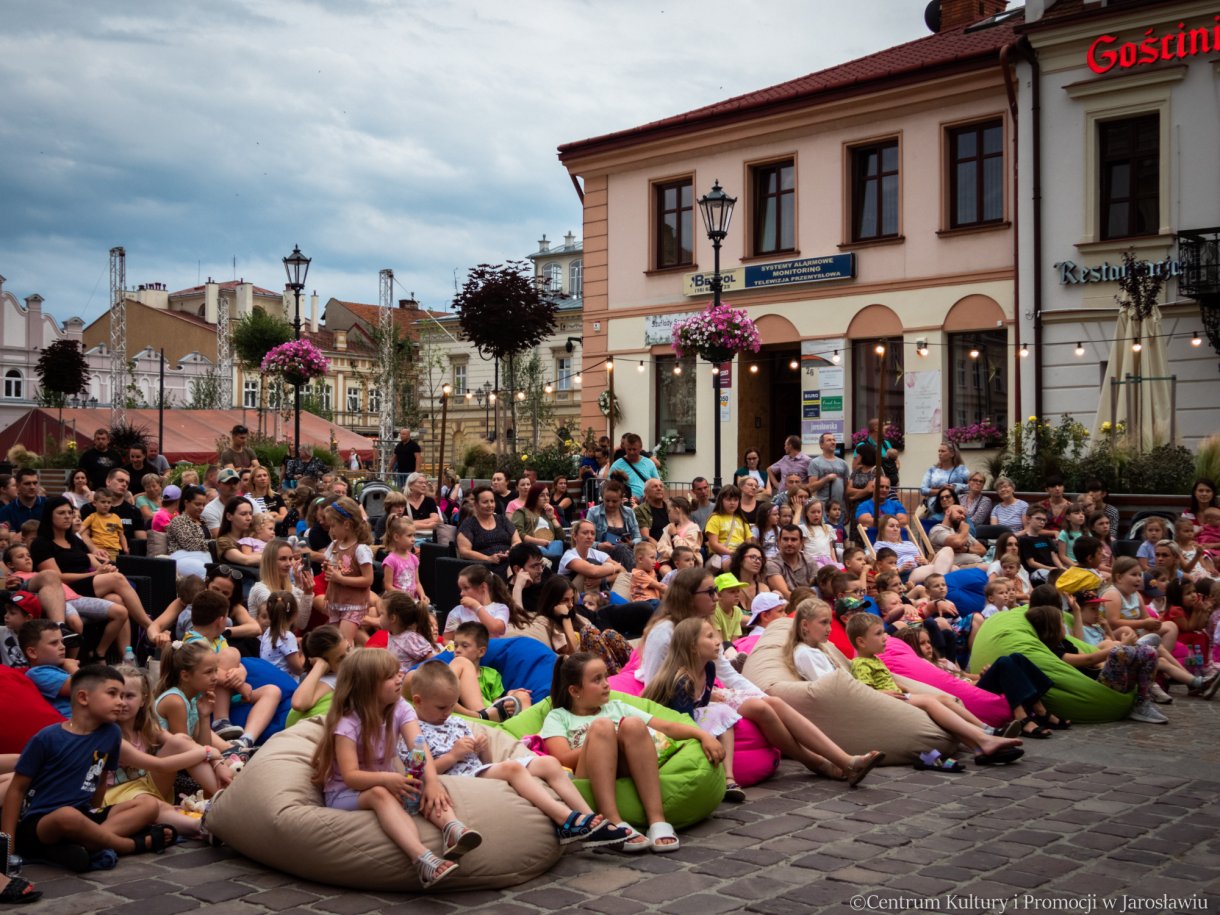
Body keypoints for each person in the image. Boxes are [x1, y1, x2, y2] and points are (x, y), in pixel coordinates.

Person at [640, 571, 885, 785]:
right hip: (682, 701)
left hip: (703, 692)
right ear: (689, 595)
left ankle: (845, 760)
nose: (716, 597)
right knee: (762, 707)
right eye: (711, 591)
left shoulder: (702, 626)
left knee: (773, 703)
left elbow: (727, 673)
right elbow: (655, 684)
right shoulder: (665, 632)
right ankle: (817, 763)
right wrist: (701, 694)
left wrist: (760, 693)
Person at [2, 664, 206, 875]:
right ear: (83, 698)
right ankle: (131, 844)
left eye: (123, 695)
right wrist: (8, 847)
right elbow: (16, 790)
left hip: (84, 814)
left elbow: (100, 780)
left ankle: (87, 844)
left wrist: (95, 812)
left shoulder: (109, 735)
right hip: (42, 823)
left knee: (148, 805)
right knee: (67, 816)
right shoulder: (47, 738)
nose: (120, 701)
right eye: (112, 694)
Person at [411, 660, 628, 846]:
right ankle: (566, 821)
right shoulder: (412, 732)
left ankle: (590, 819)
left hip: (477, 771)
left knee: (549, 763)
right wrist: (453, 756)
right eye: (442, 708)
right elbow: (418, 772)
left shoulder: (456, 722)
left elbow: (486, 762)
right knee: (513, 768)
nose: (448, 712)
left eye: (452, 706)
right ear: (418, 701)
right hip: (457, 780)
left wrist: (482, 747)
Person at [311, 648, 477, 888]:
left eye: (398, 672)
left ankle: (451, 828)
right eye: (390, 676)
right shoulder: (347, 724)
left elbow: (419, 749)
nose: (400, 678)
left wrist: (431, 783)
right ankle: (421, 859)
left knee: (422, 783)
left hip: (387, 781)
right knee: (380, 794)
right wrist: (388, 780)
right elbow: (350, 777)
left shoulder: (400, 708)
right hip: (346, 793)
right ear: (368, 687)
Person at [543, 652, 716, 852]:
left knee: (633, 724)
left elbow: (666, 727)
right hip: (589, 773)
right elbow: (562, 758)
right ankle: (612, 818)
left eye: (606, 677)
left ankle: (657, 819)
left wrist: (703, 736)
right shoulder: (559, 716)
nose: (606, 684)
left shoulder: (617, 707)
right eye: (597, 680)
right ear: (574, 690)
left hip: (626, 766)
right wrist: (604, 741)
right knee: (602, 727)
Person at [844, 613, 1025, 763]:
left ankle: (985, 735)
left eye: (884, 632)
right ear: (861, 642)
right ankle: (984, 738)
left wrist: (900, 686)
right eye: (878, 634)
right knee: (931, 702)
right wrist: (888, 692)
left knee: (944, 698)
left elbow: (884, 679)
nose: (885, 637)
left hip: (899, 696)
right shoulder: (860, 663)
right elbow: (864, 692)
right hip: (890, 702)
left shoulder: (875, 659)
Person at [107, 665, 234, 839]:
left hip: (147, 784)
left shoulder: (146, 727)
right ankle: (204, 826)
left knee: (179, 740)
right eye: (115, 695)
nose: (121, 702)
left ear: (143, 700)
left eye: (129, 696)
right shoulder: (111, 736)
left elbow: (183, 744)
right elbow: (161, 766)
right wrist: (210, 752)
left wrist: (217, 762)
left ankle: (229, 798)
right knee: (153, 805)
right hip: (119, 795)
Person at [1024, 604, 1167, 725]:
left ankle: (1142, 703)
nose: (1065, 626)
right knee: (1120, 653)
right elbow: (1088, 660)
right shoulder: (1053, 651)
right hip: (1100, 686)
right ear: (1053, 628)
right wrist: (1121, 646)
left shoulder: (1065, 642)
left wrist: (1107, 662)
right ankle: (1135, 647)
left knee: (1149, 652)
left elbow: (1093, 662)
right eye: (1062, 623)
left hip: (1106, 676)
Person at [31, 496, 152, 637]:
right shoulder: (41, 543)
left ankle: (117, 655)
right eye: (61, 513)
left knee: (116, 599)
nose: (67, 517)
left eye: (70, 513)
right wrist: (95, 574)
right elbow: (57, 578)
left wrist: (106, 569)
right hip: (65, 589)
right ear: (49, 516)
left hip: (88, 582)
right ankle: (149, 626)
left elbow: (89, 559)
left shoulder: (73, 539)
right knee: (117, 579)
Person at [179, 590, 281, 747]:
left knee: (273, 691)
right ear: (221, 621)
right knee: (231, 653)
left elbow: (237, 664)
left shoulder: (218, 639)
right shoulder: (194, 643)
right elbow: (210, 673)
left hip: (228, 691)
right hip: (206, 697)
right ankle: (221, 720)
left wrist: (242, 672)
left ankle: (246, 739)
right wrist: (240, 685)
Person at [323, 496, 375, 644]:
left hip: (353, 602)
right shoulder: (334, 545)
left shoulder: (360, 549)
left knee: (345, 641)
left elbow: (368, 579)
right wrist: (327, 568)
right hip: (336, 599)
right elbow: (331, 565)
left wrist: (340, 578)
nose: (331, 531)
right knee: (334, 642)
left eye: (333, 526)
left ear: (346, 524)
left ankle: (348, 666)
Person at [457, 486, 521, 576]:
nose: (490, 505)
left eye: (492, 501)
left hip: (509, 562)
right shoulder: (469, 524)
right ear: (476, 504)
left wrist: (511, 551)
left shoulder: (502, 520)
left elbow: (517, 540)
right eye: (485, 502)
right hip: (484, 567)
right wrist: (488, 558)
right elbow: (464, 551)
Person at [380, 591, 437, 674]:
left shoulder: (410, 638)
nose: (379, 617)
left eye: (382, 613)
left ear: (392, 618)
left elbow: (433, 661)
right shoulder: (392, 634)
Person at [381, 516, 430, 608]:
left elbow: (417, 582)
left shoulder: (414, 558)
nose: (413, 539)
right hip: (396, 602)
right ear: (396, 537)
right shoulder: (390, 560)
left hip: (411, 601)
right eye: (409, 535)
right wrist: (403, 597)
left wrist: (422, 595)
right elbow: (388, 586)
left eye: (414, 535)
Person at [512, 483, 565, 561]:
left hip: (551, 547)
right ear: (533, 497)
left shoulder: (548, 513)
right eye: (542, 495)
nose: (546, 498)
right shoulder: (522, 512)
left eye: (547, 495)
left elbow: (562, 537)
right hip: (532, 548)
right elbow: (518, 533)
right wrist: (538, 541)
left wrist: (552, 517)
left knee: (558, 545)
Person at [703, 484, 750, 571]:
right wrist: (732, 553)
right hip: (723, 554)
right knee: (734, 565)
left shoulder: (742, 520)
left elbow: (748, 542)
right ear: (721, 500)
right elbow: (713, 544)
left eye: (735, 500)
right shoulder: (715, 518)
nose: (732, 503)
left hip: (742, 554)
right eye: (728, 499)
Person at [258, 591, 304, 678]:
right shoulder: (287, 636)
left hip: (267, 679)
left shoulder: (269, 630)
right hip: (283, 685)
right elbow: (299, 670)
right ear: (295, 614)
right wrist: (305, 652)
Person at [765, 525, 818, 598]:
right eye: (785, 539)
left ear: (801, 542)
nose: (789, 543)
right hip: (786, 605)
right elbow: (784, 593)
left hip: (809, 602)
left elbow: (816, 586)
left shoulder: (809, 561)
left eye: (794, 540)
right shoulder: (772, 563)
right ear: (779, 541)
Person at [919, 441, 969, 513]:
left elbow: (971, 485)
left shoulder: (961, 469)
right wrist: (941, 491)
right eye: (939, 451)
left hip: (955, 509)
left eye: (943, 451)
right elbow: (923, 490)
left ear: (952, 454)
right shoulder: (932, 470)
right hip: (934, 509)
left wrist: (956, 486)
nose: (939, 453)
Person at [609, 433, 660, 502]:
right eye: (629, 449)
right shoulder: (616, 465)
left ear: (640, 448)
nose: (631, 452)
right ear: (625, 448)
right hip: (626, 505)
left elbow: (657, 483)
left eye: (634, 449)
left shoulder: (649, 463)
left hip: (647, 503)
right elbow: (609, 486)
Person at [79, 489, 127, 562]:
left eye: (109, 502)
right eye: (103, 502)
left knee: (112, 567)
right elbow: (81, 528)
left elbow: (121, 535)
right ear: (95, 503)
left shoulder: (116, 517)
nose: (106, 505)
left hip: (113, 550)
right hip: (98, 550)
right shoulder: (92, 517)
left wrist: (125, 548)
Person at [807, 433, 848, 516]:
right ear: (821, 445)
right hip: (823, 509)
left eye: (834, 440)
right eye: (829, 440)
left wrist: (847, 509)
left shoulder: (843, 464)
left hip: (839, 509)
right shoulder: (815, 463)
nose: (833, 442)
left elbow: (846, 488)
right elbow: (811, 488)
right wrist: (826, 479)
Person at [856, 418, 901, 487]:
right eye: (883, 425)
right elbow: (855, 467)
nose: (886, 428)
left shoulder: (887, 443)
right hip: (870, 485)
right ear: (876, 428)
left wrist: (890, 472)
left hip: (888, 485)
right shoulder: (862, 445)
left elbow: (897, 463)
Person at [634, 478, 671, 545]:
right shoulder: (640, 510)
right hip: (653, 548)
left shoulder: (670, 508)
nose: (659, 488)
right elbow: (646, 537)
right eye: (655, 486)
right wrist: (663, 550)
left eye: (661, 486)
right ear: (646, 492)